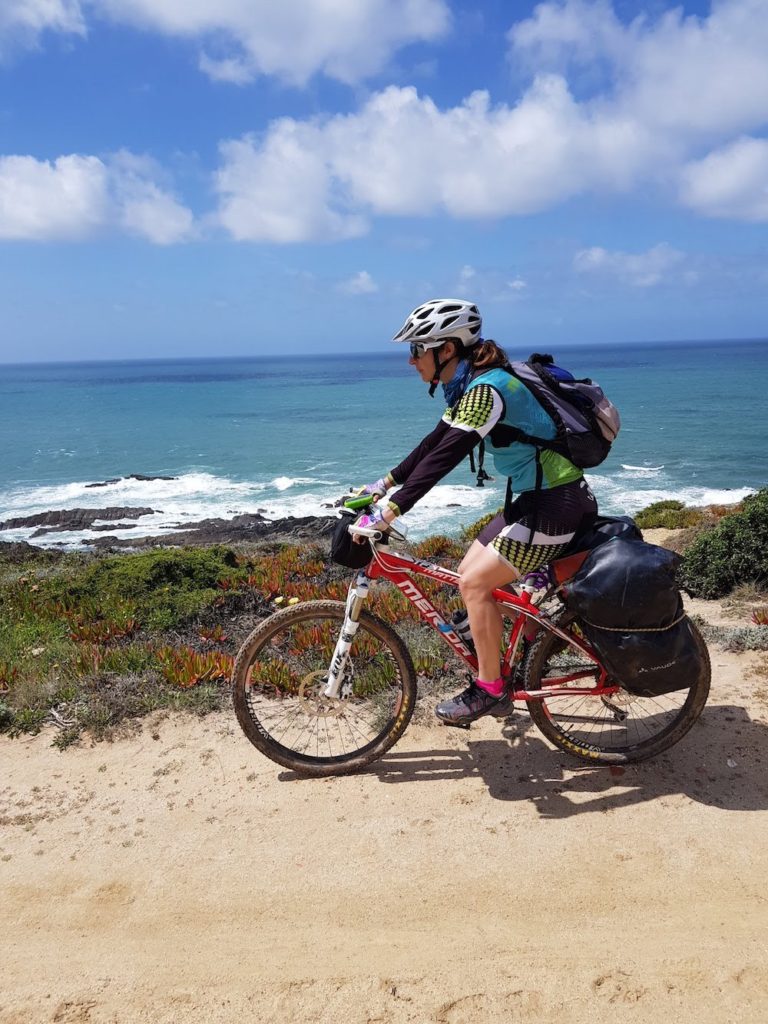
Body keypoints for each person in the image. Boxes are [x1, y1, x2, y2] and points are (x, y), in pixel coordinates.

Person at [354, 298, 598, 726]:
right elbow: (433, 443)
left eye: (417, 350)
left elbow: (445, 458)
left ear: (446, 349)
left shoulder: (488, 391)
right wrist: (382, 486)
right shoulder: (473, 386)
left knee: (473, 584)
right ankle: (535, 636)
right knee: (469, 573)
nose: (411, 361)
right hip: (534, 501)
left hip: (556, 506)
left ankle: (491, 691)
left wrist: (387, 514)